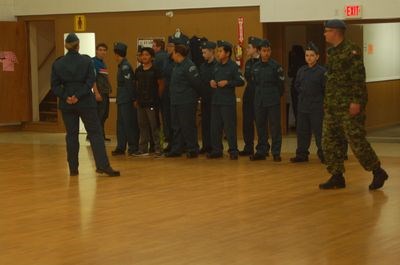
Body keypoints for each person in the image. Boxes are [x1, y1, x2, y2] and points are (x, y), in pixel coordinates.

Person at [319, 19, 389, 190]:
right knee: (330, 141)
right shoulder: (332, 52)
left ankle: (377, 170)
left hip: (349, 106)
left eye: (327, 30)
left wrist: (356, 101)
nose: (324, 33)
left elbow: (358, 79)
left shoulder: (351, 51)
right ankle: (337, 175)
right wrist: (327, 103)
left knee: (356, 141)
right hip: (333, 106)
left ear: (336, 32)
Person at [51, 33, 119, 177]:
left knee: (71, 135)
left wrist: (67, 96)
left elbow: (55, 86)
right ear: (78, 45)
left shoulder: (58, 63)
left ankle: (73, 169)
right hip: (86, 102)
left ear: (65, 46)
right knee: (95, 134)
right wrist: (78, 95)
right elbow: (90, 81)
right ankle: (103, 166)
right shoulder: (86, 61)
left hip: (67, 104)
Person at [207, 40, 245, 160]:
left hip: (227, 102)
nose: (218, 53)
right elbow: (213, 78)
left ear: (228, 53)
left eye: (220, 51)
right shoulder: (216, 66)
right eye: (218, 51)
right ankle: (217, 150)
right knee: (215, 127)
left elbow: (241, 81)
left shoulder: (233, 66)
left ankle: (233, 150)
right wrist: (211, 82)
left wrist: (228, 82)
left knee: (229, 127)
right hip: (216, 101)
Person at [290, 42, 325, 163]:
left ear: (317, 57)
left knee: (319, 131)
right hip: (303, 106)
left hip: (316, 106)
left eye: (311, 55)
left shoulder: (322, 72)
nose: (309, 58)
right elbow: (297, 85)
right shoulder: (301, 70)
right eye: (307, 55)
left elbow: (326, 89)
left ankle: (323, 154)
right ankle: (302, 154)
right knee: (302, 131)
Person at [250, 39, 285, 162]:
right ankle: (262, 151)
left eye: (268, 50)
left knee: (275, 127)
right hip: (259, 100)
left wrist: (275, 96)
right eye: (264, 51)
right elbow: (254, 83)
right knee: (260, 126)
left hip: (272, 100)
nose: (266, 53)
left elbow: (281, 85)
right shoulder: (255, 67)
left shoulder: (276, 66)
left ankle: (276, 152)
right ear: (259, 51)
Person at [165, 43, 201, 158]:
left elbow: (196, 83)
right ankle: (177, 149)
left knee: (188, 125)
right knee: (176, 126)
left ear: (178, 54)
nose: (172, 54)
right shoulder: (176, 65)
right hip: (175, 101)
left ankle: (192, 149)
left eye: (173, 52)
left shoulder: (189, 66)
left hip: (186, 101)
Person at [240, 36, 271, 157]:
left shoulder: (263, 62)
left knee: (260, 122)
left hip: (260, 95)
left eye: (249, 47)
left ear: (256, 49)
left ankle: (263, 147)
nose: (247, 49)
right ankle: (248, 147)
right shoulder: (248, 62)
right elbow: (248, 78)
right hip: (249, 94)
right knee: (247, 122)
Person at [134, 47, 164, 156]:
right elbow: (136, 85)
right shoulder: (138, 70)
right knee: (142, 126)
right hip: (141, 102)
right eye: (142, 55)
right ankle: (143, 149)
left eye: (147, 55)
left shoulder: (156, 70)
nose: (144, 57)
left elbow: (161, 85)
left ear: (151, 57)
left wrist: (157, 98)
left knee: (155, 125)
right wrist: (136, 99)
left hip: (153, 103)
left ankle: (158, 149)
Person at [111, 42, 140, 156]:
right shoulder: (122, 66)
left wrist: (133, 98)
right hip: (122, 99)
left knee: (129, 124)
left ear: (117, 54)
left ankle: (133, 147)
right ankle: (121, 146)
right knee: (121, 124)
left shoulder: (125, 67)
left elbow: (129, 84)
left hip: (127, 99)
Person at [198, 41, 217, 154]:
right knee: (205, 123)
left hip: (215, 98)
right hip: (205, 98)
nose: (203, 55)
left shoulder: (217, 65)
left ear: (211, 52)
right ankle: (206, 145)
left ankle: (214, 147)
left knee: (214, 124)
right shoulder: (202, 66)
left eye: (205, 52)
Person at [92, 43, 112, 141]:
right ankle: (96, 137)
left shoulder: (102, 63)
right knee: (99, 115)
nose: (102, 52)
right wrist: (96, 93)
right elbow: (93, 79)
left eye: (104, 50)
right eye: (100, 50)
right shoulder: (93, 62)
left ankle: (101, 135)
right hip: (99, 93)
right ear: (96, 51)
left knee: (104, 115)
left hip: (105, 92)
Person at [288, 45, 306, 125]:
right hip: (296, 86)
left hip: (301, 86)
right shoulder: (297, 61)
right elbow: (290, 73)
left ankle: (301, 124)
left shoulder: (303, 62)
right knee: (296, 106)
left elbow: (290, 73)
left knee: (299, 107)